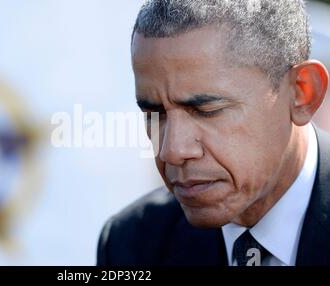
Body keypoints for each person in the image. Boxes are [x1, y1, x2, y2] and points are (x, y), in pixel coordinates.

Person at [97, 0, 330, 266]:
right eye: (156, 113)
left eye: (206, 110)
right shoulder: (132, 244)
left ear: (302, 93)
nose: (172, 151)